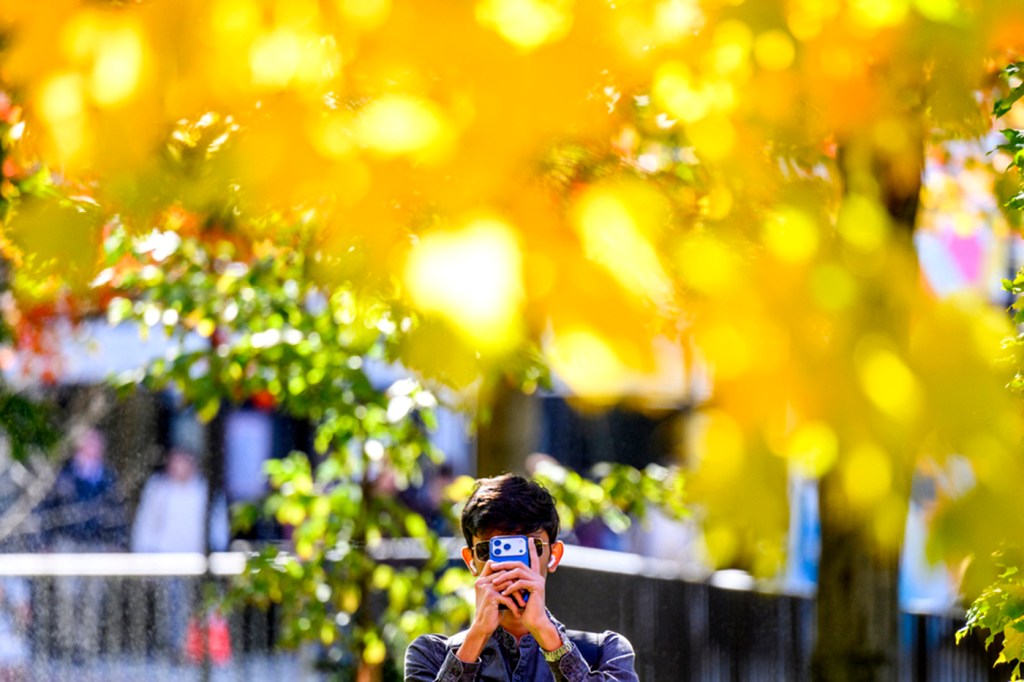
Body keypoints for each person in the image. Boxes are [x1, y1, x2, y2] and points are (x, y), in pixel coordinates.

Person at [404, 474, 639, 682]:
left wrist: (548, 637)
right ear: (471, 561)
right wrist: (476, 637)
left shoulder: (605, 652)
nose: (512, 565)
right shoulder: (430, 655)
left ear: (553, 556)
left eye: (530, 547)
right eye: (490, 549)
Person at [34, 426, 128, 661]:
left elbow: (117, 513)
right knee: (67, 594)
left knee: (92, 596)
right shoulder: (64, 475)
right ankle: (66, 644)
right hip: (67, 542)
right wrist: (46, 543)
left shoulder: (107, 478)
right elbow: (49, 510)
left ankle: (85, 647)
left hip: (96, 544)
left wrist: (117, 543)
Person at [132, 447, 229, 659]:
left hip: (198, 561)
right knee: (170, 607)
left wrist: (217, 551)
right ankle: (173, 647)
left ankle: (197, 649)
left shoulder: (205, 490)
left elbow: (218, 525)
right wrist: (143, 558)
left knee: (198, 606)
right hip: (166, 560)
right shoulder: (158, 489)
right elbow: (146, 526)